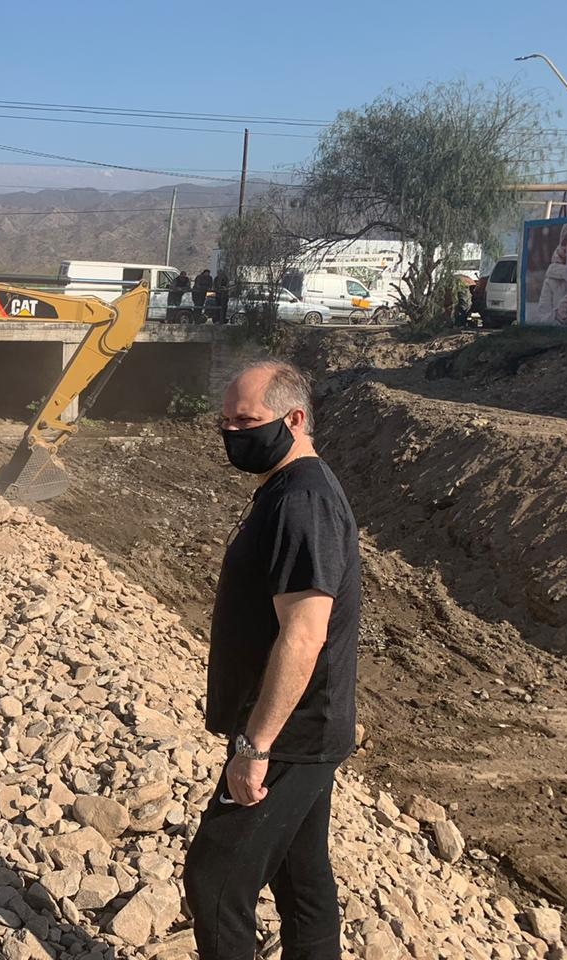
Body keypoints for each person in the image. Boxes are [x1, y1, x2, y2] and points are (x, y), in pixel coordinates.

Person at [183, 360, 361, 960]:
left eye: (246, 420)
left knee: (214, 881)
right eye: (226, 421)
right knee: (301, 878)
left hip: (289, 734)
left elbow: (304, 635)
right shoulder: (287, 490)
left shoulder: (302, 501)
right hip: (302, 728)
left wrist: (256, 747)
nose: (232, 433)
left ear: (294, 419)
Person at [534, 221, 567, 327]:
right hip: (563, 338)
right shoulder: (552, 281)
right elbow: (540, 321)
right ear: (564, 250)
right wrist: (558, 315)